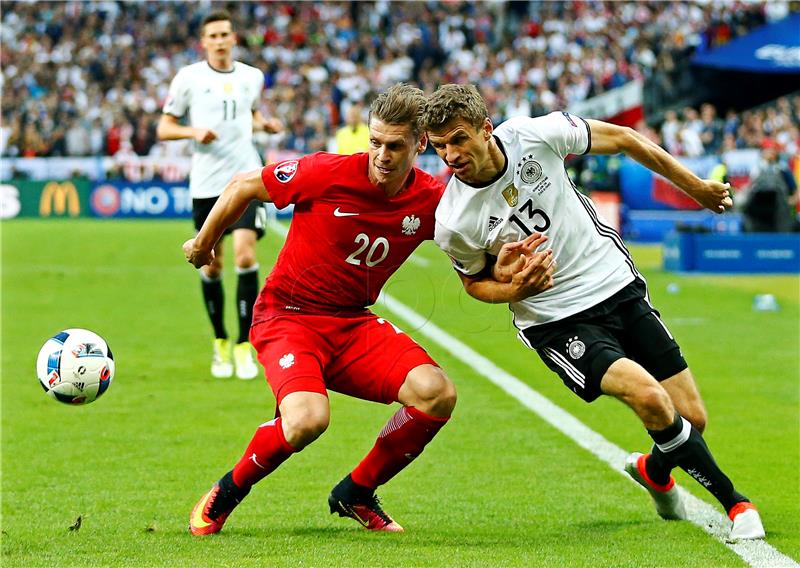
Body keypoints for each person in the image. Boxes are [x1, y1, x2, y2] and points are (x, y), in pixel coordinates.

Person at [422, 84, 765, 541]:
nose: (450, 154)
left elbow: (625, 138)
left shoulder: (535, 135)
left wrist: (697, 188)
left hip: (614, 284)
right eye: (440, 145)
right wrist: (512, 287)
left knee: (690, 420)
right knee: (649, 398)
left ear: (486, 129)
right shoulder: (454, 220)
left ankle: (653, 471)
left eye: (459, 139)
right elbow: (474, 282)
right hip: (555, 320)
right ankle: (737, 504)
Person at [182, 84, 455, 535]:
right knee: (309, 420)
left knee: (436, 393)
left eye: (394, 146)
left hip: (351, 322)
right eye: (374, 142)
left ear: (420, 143)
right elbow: (243, 184)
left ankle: (357, 492)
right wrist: (204, 244)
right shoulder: (326, 173)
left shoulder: (433, 199)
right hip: (287, 316)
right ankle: (228, 490)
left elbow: (475, 250)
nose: (381, 155)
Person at [157, 11, 283, 380]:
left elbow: (249, 114)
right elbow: (164, 127)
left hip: (245, 177)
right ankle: (221, 342)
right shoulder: (189, 79)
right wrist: (193, 132)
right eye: (213, 35)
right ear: (204, 41)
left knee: (246, 255)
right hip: (206, 184)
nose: (220, 40)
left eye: (225, 34)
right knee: (212, 263)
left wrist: (264, 124)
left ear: (234, 38)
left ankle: (245, 344)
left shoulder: (251, 77)